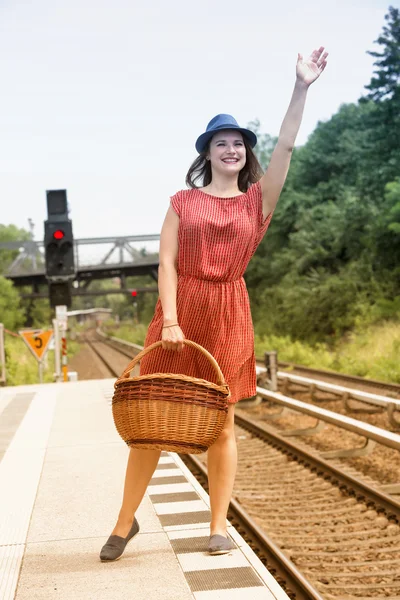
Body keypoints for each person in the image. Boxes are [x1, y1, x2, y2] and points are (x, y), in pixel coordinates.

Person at [100, 46, 328, 561]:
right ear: (207, 153)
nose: (232, 150)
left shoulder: (258, 202)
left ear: (246, 153)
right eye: (221, 143)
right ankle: (123, 523)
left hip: (228, 314)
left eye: (239, 144)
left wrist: (301, 87)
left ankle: (218, 525)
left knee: (222, 422)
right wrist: (172, 320)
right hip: (180, 315)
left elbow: (287, 149)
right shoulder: (183, 202)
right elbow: (167, 265)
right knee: (151, 418)